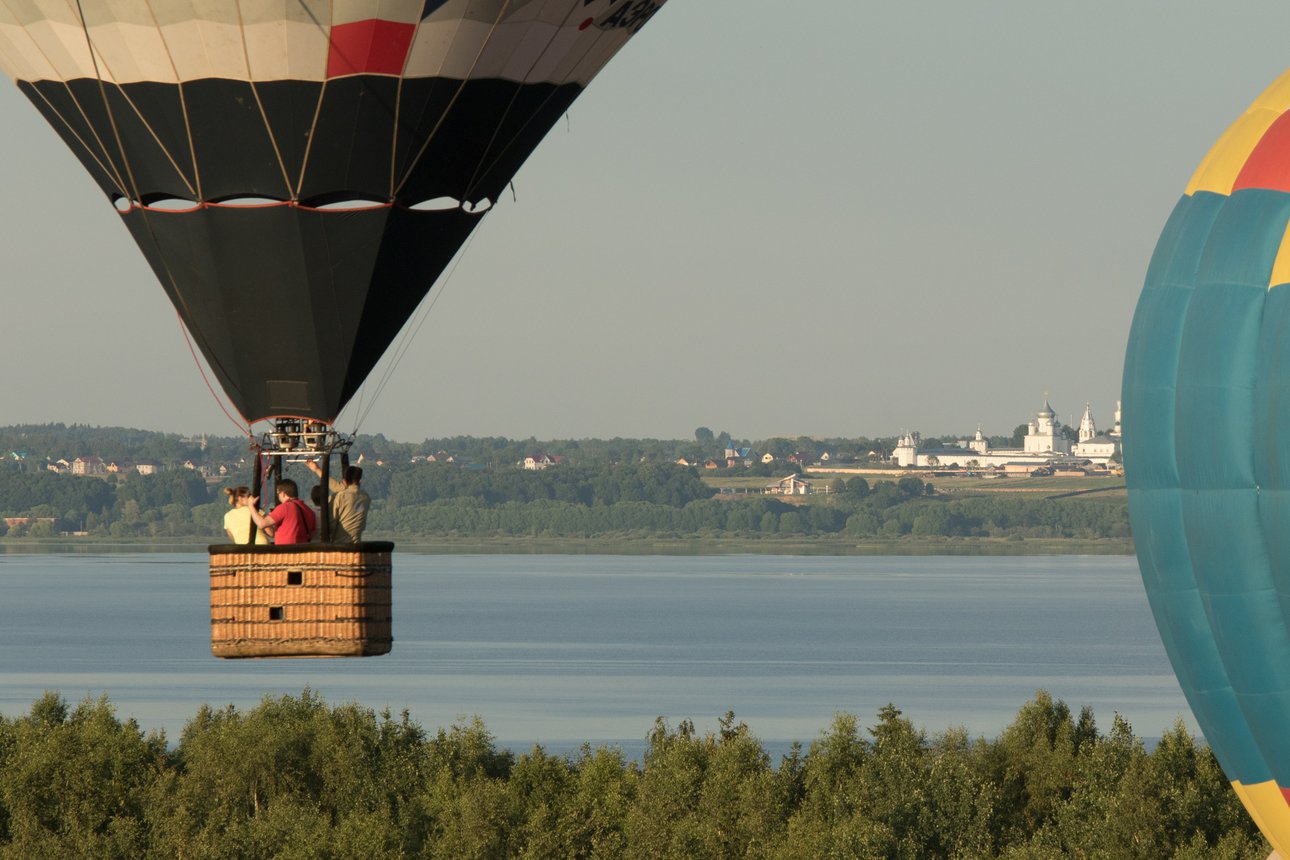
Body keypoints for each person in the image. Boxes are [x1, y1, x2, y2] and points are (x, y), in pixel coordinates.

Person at [306, 460, 370, 543]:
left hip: (339, 544)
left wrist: (317, 470)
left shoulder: (341, 496)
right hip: (356, 543)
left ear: (344, 481)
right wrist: (317, 470)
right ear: (360, 481)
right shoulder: (365, 497)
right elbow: (342, 489)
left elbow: (331, 522)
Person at [247, 479, 316, 544]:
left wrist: (251, 506)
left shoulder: (284, 507)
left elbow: (261, 524)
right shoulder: (309, 511)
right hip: (304, 551)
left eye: (278, 493)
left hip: (285, 552)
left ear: (283, 494)